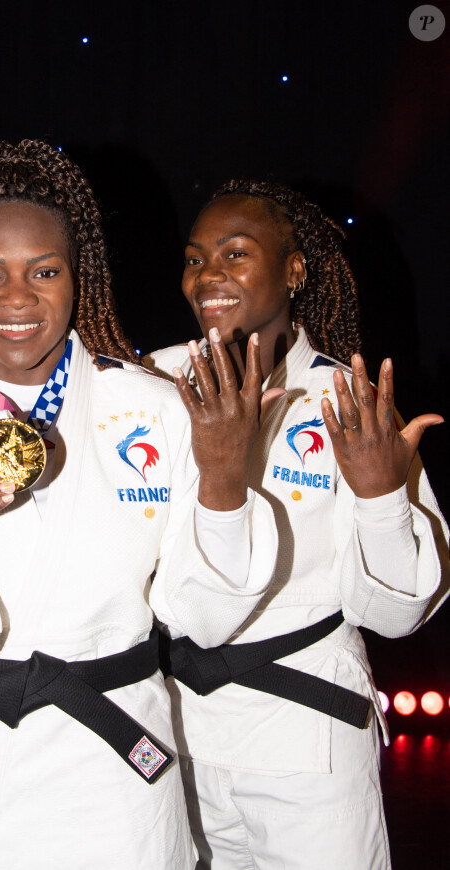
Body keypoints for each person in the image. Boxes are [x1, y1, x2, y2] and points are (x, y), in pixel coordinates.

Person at [0, 145, 280, 870]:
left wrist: (222, 477)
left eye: (45, 271)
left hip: (111, 781)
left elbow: (208, 619)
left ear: (77, 275)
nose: (18, 298)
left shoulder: (156, 409)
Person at [145, 179, 450, 870]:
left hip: (306, 742)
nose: (208, 276)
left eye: (235, 253)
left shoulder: (352, 402)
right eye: (196, 259)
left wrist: (381, 496)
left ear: (294, 269)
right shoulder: (152, 385)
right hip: (176, 735)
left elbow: (398, 616)